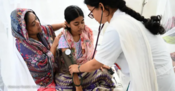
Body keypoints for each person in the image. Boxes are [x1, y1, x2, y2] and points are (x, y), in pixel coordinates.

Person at [69, 0, 175, 91]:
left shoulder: (116, 27)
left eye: (91, 12)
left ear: (101, 6)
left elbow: (95, 64)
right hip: (164, 76)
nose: (92, 17)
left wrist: (77, 68)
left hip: (155, 80)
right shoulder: (128, 19)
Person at [55, 5, 115, 91]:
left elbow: (91, 50)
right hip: (70, 74)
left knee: (106, 74)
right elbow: (70, 64)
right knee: (64, 85)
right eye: (76, 24)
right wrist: (78, 85)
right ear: (68, 24)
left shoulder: (87, 32)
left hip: (86, 68)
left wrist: (98, 62)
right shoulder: (63, 38)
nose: (81, 26)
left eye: (82, 22)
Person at [11, 8, 64, 91]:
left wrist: (63, 24)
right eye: (33, 24)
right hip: (43, 83)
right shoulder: (25, 48)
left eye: (36, 18)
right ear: (25, 30)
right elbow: (45, 67)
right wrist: (54, 45)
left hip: (56, 72)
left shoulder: (37, 31)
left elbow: (48, 28)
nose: (38, 23)